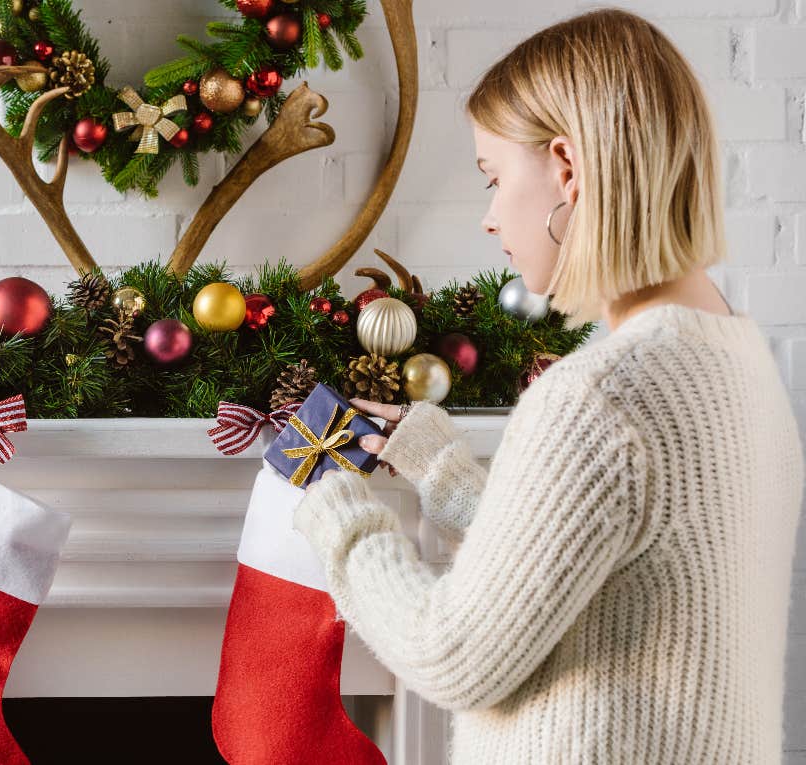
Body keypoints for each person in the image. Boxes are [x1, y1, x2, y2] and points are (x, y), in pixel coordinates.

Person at [291, 7, 805, 763]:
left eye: (494, 178)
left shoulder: (600, 397)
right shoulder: (739, 362)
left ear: (567, 167)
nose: (492, 218)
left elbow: (453, 651)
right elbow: (602, 565)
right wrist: (443, 472)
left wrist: (335, 513)